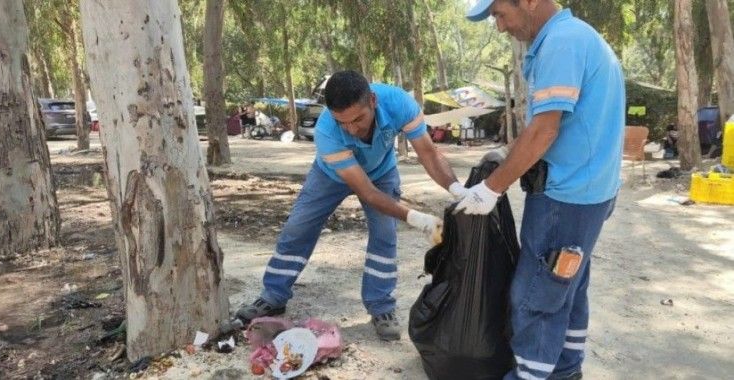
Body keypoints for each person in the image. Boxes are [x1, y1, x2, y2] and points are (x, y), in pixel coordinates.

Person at [235, 70, 471, 340]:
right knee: (297, 228)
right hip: (330, 175)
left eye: (358, 119)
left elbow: (428, 153)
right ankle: (273, 296)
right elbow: (367, 194)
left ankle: (381, 306)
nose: (352, 129)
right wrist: (417, 218)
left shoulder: (399, 103)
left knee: (384, 235)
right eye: (343, 122)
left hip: (381, 172)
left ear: (373, 100)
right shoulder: (326, 131)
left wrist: (457, 190)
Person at [463, 1, 624, 379]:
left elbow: (544, 131)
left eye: (500, 14)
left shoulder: (562, 43)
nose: (500, 27)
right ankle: (566, 371)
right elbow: (559, 125)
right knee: (567, 287)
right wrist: (509, 155)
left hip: (566, 197)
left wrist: (490, 189)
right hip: (590, 193)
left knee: (536, 296)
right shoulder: (575, 37)